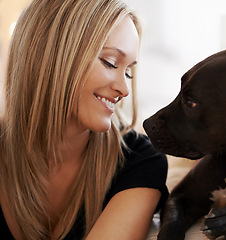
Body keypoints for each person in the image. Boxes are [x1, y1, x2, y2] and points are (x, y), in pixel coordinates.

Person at [0, 0, 169, 239]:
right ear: (51, 55)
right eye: (110, 62)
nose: (124, 88)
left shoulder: (140, 161)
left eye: (128, 72)